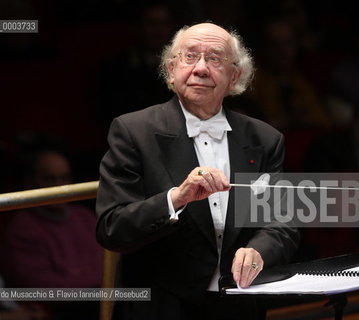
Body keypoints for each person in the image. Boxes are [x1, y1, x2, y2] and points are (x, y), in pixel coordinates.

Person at [96, 23, 299, 320]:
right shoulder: (133, 131)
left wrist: (259, 251)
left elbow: (282, 222)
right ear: (171, 69)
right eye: (190, 57)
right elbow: (112, 228)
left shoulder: (264, 139)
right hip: (161, 306)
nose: (201, 68)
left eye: (215, 58)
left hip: (239, 305)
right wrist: (176, 198)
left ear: (235, 77)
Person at [0, 150, 103, 320]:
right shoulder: (22, 226)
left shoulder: (85, 217)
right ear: (32, 183)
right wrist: (95, 287)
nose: (59, 186)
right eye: (50, 179)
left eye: (64, 178)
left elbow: (107, 265)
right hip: (60, 309)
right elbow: (38, 285)